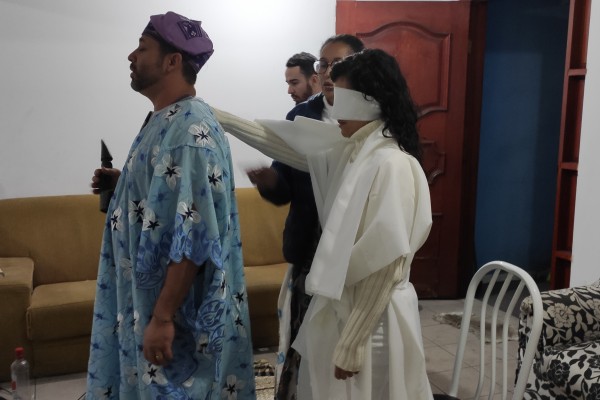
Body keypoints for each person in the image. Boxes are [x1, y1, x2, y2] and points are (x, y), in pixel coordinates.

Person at [215, 48, 433, 399]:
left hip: (373, 322)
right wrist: (218, 118)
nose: (332, 107)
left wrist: (352, 342)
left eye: (342, 97)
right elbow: (288, 148)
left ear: (369, 101)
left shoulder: (391, 163)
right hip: (348, 311)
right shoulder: (355, 150)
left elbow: (386, 262)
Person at [86, 12, 255, 399]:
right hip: (148, 304)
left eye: (142, 48)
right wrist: (125, 184)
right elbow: (173, 198)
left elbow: (194, 236)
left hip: (175, 317)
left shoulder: (189, 132)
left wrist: (162, 317)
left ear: (172, 61)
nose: (132, 56)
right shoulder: (167, 120)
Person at [245, 34, 364, 400]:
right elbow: (284, 187)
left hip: (355, 254)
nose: (327, 72)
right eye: (323, 64)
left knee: (345, 348)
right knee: (304, 343)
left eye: (337, 64)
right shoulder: (301, 116)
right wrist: (270, 182)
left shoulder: (371, 119)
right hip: (309, 250)